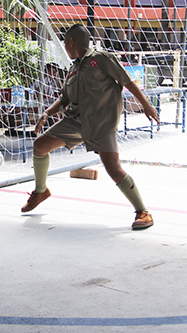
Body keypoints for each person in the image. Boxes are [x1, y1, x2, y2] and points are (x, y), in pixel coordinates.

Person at [22, 24, 160, 230]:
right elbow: (64, 98)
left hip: (101, 123)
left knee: (114, 169)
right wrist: (47, 113)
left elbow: (127, 81)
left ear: (71, 42)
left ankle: (143, 212)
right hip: (75, 122)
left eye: (65, 44)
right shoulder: (73, 68)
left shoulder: (102, 58)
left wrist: (146, 105)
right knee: (40, 146)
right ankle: (41, 191)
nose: (65, 48)